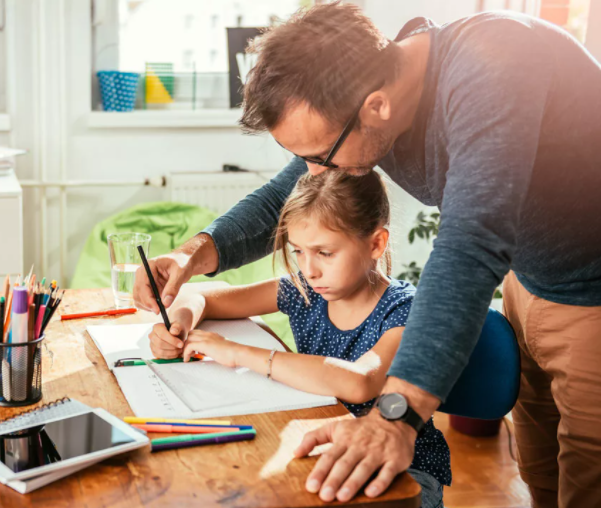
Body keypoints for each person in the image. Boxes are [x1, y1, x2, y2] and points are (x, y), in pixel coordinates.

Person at [133, 3, 601, 506]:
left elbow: (470, 243)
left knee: (588, 480)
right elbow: (282, 199)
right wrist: (192, 253)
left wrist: (396, 415)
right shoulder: (378, 92)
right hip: (529, 279)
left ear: (376, 106)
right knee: (542, 472)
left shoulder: (495, 67)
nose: (313, 172)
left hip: (591, 290)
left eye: (319, 156)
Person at [150, 170, 450, 507]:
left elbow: (359, 383)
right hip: (323, 446)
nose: (310, 269)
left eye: (324, 253)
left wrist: (237, 353)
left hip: (404, 470)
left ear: (376, 243)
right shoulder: (306, 291)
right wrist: (181, 322)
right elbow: (204, 296)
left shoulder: (404, 310)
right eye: (298, 252)